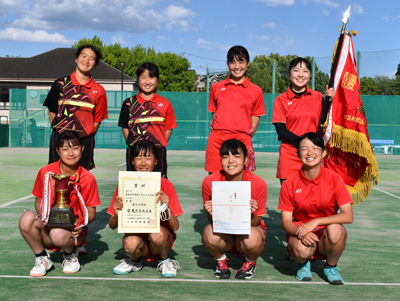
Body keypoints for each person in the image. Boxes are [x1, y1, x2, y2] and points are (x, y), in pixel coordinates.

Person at [19, 131, 101, 277]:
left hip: (73, 232)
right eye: (65, 149)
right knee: (26, 219)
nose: (70, 153)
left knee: (57, 233)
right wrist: (45, 217)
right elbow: (38, 200)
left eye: (75, 148)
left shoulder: (88, 178)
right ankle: (42, 258)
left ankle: (71, 254)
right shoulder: (45, 172)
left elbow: (91, 211)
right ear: (57, 151)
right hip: (47, 227)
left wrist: (80, 223)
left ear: (82, 148)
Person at [278, 132, 353, 285]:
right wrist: (301, 233)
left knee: (336, 230)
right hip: (301, 233)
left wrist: (316, 221)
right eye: (304, 149)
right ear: (298, 153)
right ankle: (302, 264)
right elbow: (286, 222)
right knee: (301, 250)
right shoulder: (289, 184)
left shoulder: (335, 179)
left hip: (326, 236)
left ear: (324, 152)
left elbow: (348, 216)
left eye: (315, 148)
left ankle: (330, 267)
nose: (310, 152)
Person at [108, 140, 183, 277]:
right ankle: (134, 261)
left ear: (156, 161)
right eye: (138, 157)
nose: (143, 162)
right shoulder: (125, 185)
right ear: (131, 161)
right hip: (137, 240)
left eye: (148, 157)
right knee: (129, 243)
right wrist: (116, 214)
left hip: (159, 241)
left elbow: (175, 226)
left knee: (157, 233)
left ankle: (164, 260)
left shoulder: (166, 185)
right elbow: (112, 226)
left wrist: (166, 208)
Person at [202, 139, 267, 279]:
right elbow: (211, 221)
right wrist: (210, 212)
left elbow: (256, 222)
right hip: (224, 231)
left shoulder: (258, 183)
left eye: (236, 156)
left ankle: (250, 261)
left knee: (254, 238)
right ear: (220, 160)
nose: (231, 161)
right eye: (225, 157)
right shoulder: (209, 182)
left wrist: (249, 212)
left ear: (245, 160)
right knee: (208, 232)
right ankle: (221, 260)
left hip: (247, 230)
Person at [44, 44, 108, 170]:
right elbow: (52, 112)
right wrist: (61, 132)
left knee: (82, 178)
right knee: (57, 176)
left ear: (95, 64)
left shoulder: (99, 91)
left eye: (91, 58)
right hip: (60, 138)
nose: (86, 60)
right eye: (84, 56)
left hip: (84, 141)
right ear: (76, 58)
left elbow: (97, 120)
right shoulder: (60, 84)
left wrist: (84, 134)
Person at [272, 57, 335, 184]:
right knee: (289, 197)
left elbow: (325, 122)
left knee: (312, 197)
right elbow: (281, 130)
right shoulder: (280, 100)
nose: (300, 75)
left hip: (312, 154)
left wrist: (330, 101)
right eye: (296, 70)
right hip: (290, 154)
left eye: (305, 71)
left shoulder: (317, 97)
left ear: (310, 75)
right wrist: (303, 144)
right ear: (289, 74)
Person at [205, 46, 265, 174]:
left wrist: (244, 137)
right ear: (228, 64)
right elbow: (214, 114)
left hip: (242, 142)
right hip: (216, 142)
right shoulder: (216, 87)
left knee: (240, 186)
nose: (237, 66)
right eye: (232, 62)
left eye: (241, 61)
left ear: (248, 63)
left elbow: (255, 118)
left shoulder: (256, 90)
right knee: (215, 183)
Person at [118, 62, 177, 178]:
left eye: (151, 77)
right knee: (133, 183)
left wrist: (158, 145)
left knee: (159, 185)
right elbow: (125, 127)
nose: (147, 81)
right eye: (143, 77)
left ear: (158, 80)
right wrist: (134, 145)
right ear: (138, 79)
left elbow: (169, 128)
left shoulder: (166, 103)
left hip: (158, 152)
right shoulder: (128, 103)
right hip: (135, 153)